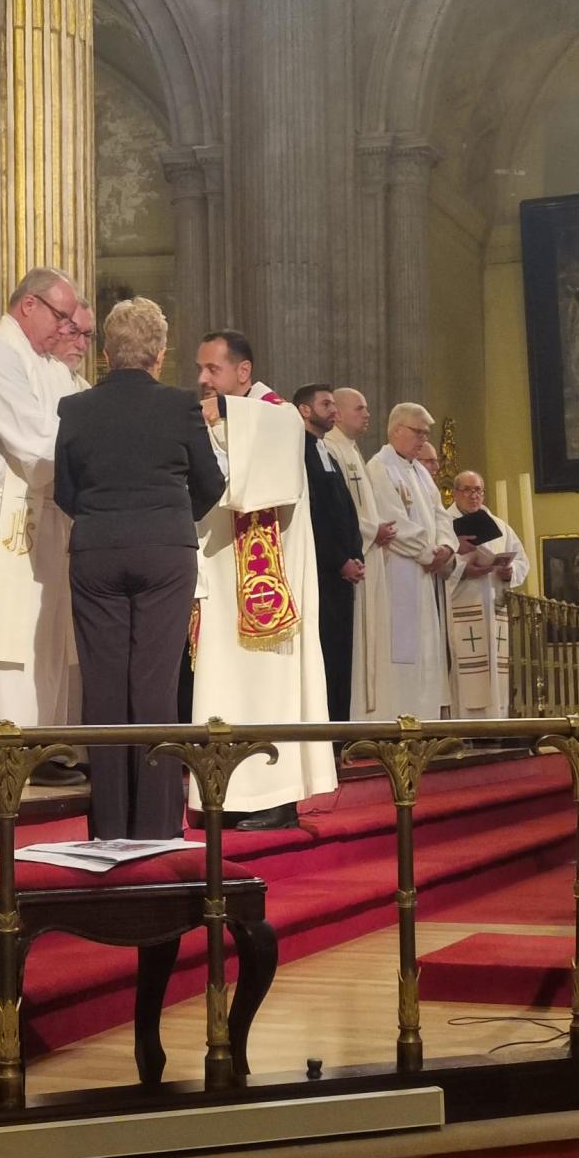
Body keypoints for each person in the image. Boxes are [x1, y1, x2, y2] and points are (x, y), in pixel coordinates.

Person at [55, 298, 224, 838]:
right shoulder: (180, 406)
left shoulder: (76, 409)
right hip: (164, 552)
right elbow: (212, 483)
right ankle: (155, 825)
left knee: (103, 688)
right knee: (155, 684)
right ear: (160, 354)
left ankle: (109, 824)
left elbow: (65, 490)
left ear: (105, 354)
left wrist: (108, 519)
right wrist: (170, 521)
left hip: (98, 549)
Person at [192, 331, 336, 829]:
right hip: (219, 571)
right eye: (200, 370)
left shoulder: (274, 414)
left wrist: (224, 418)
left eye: (213, 369)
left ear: (244, 372)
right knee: (222, 680)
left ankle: (276, 796)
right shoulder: (223, 413)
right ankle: (228, 794)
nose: (203, 379)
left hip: (265, 582)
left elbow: (266, 471)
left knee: (268, 681)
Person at [0, 266, 84, 783]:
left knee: (47, 636)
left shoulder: (47, 363)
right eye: (61, 316)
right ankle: (3, 744)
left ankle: (44, 741)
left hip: (47, 508)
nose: (66, 328)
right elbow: (30, 437)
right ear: (28, 304)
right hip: (3, 510)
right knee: (7, 638)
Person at [366, 402, 462, 720]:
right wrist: (428, 552)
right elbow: (393, 522)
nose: (423, 439)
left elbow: (440, 515)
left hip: (424, 574)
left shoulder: (419, 471)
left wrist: (447, 547)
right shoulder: (380, 468)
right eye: (418, 432)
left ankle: (425, 725)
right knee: (402, 655)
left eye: (425, 434)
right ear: (396, 430)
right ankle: (398, 726)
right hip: (399, 571)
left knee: (426, 654)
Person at [324, 387, 397, 720]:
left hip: (366, 552)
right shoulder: (329, 449)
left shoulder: (352, 451)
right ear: (337, 412)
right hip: (354, 555)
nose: (367, 414)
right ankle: (353, 716)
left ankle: (369, 715)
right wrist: (371, 532)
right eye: (360, 408)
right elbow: (340, 510)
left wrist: (375, 528)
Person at [293, 383, 363, 722]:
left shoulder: (326, 451)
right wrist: (339, 560)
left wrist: (356, 553)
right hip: (322, 573)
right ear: (305, 410)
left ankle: (340, 736)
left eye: (335, 404)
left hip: (341, 575)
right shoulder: (299, 452)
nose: (333, 410)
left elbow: (345, 510)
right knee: (325, 657)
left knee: (340, 658)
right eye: (326, 404)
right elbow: (315, 515)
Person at [446, 469, 529, 719]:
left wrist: (508, 573)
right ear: (455, 492)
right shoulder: (445, 524)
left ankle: (495, 724)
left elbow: (523, 562)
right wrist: (463, 570)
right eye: (468, 490)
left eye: (479, 490)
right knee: (465, 667)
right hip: (461, 605)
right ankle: (465, 727)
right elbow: (436, 562)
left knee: (494, 669)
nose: (475, 496)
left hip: (494, 608)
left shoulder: (500, 527)